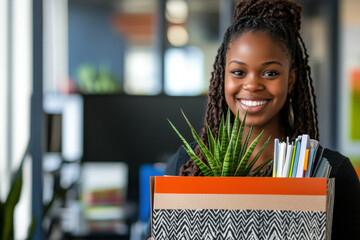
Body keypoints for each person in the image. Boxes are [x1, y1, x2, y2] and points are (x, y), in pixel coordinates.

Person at [146, 0, 360, 239]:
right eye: (238, 72)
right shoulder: (187, 165)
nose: (252, 85)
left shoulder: (330, 172)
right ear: (222, 76)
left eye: (270, 73)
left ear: (291, 80)